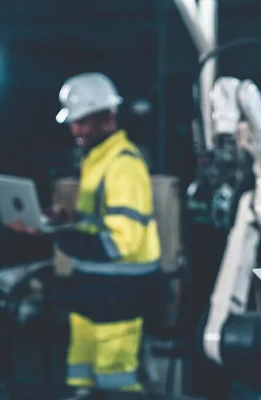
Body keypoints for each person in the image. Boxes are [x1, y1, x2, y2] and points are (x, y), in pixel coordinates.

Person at [14, 72, 161, 392]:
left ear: (108, 117)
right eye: (74, 122)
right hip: (92, 288)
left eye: (83, 121)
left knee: (115, 378)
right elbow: (98, 222)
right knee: (81, 372)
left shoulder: (124, 164)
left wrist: (56, 234)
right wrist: (67, 219)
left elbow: (120, 243)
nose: (75, 129)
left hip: (121, 293)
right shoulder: (97, 158)